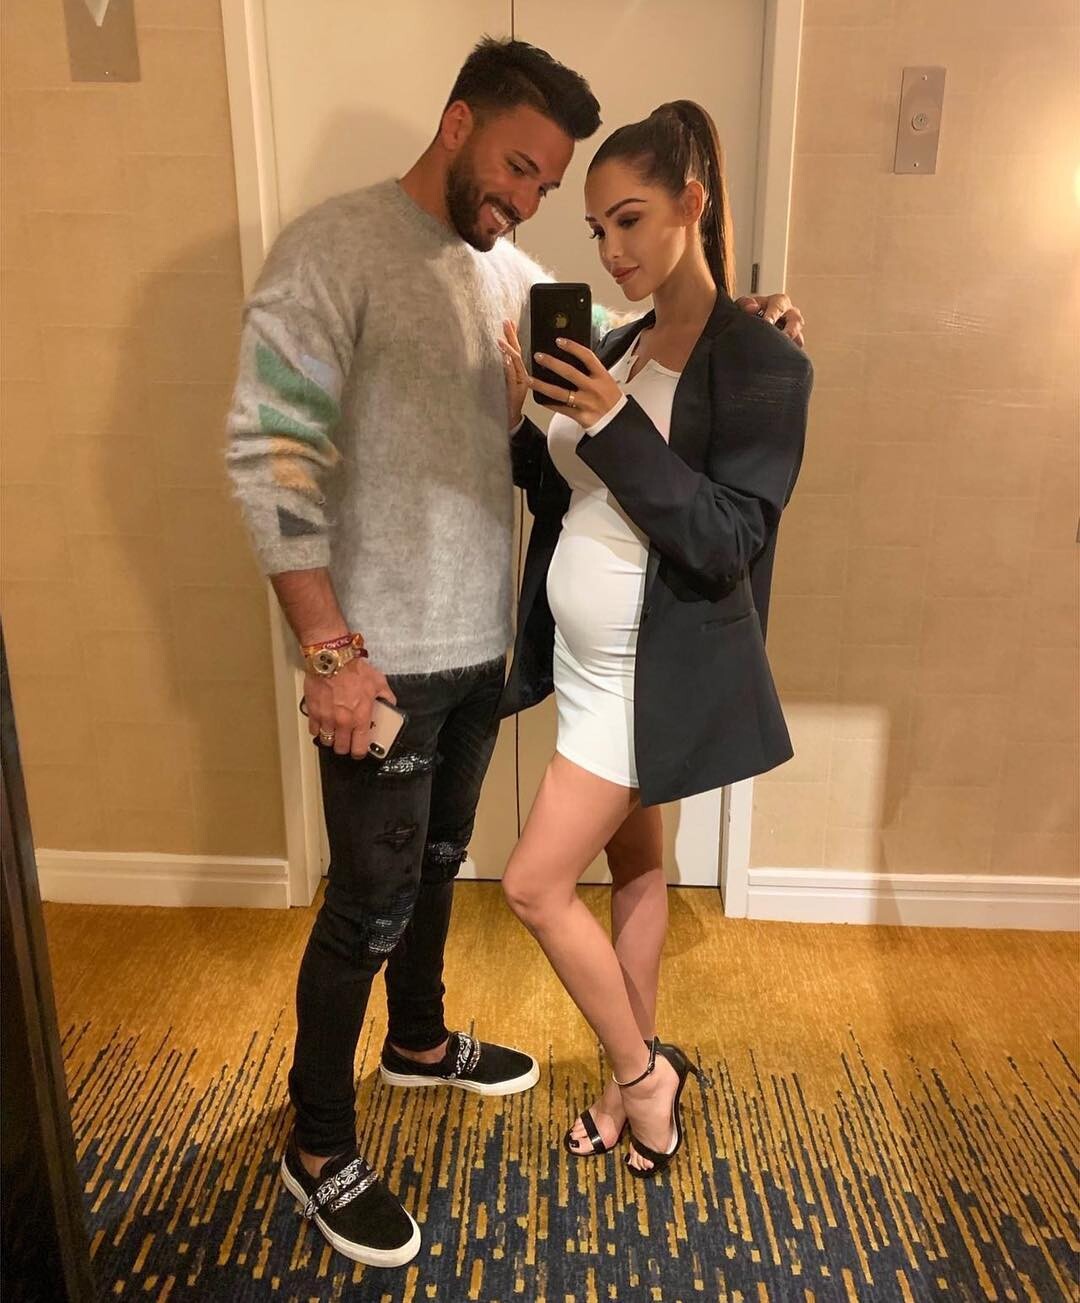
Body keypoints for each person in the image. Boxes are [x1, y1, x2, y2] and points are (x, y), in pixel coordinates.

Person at [227, 37, 804, 1266]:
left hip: (484, 652)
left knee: (441, 867)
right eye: (522, 169)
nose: (530, 202)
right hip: (377, 658)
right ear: (458, 124)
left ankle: (420, 1041)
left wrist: (744, 321)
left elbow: (650, 342)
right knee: (367, 907)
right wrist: (327, 650)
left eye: (554, 188)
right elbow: (268, 452)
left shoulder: (508, 272)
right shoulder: (333, 249)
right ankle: (318, 1148)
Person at [497, 100, 812, 1179]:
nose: (611, 250)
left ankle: (643, 1076)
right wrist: (523, 416)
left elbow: (728, 537)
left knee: (532, 885)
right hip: (587, 663)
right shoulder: (621, 343)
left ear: (692, 203)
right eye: (597, 230)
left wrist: (613, 422)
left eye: (629, 220)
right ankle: (622, 1083)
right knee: (635, 872)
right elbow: (572, 487)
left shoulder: (763, 360)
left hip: (650, 675)